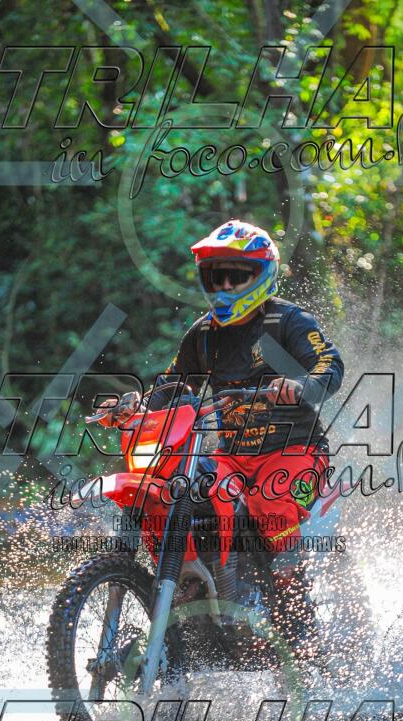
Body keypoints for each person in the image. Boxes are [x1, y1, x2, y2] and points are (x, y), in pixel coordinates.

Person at [101, 220, 344, 659]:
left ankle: (301, 631)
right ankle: (194, 591)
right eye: (217, 276)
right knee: (182, 492)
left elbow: (330, 365)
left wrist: (300, 386)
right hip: (233, 457)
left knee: (270, 508)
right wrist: (135, 409)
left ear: (261, 274)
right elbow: (172, 385)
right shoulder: (204, 335)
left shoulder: (287, 321)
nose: (226, 285)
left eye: (236, 275)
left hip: (295, 452)